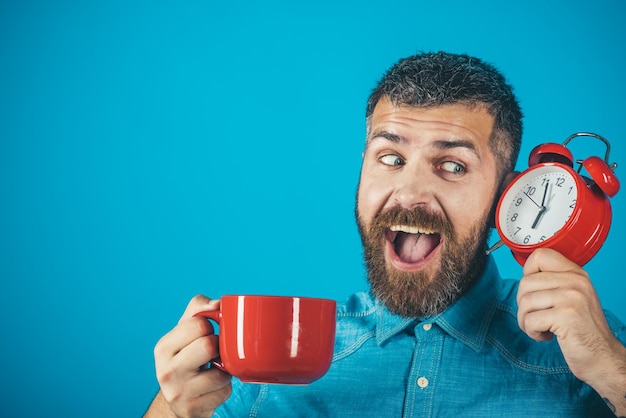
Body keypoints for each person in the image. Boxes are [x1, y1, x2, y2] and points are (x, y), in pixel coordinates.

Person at [144, 52, 626, 417]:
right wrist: (172, 409)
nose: (408, 192)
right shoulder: (261, 362)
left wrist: (611, 369)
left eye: (452, 165)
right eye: (391, 159)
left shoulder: (591, 349)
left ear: (506, 196)